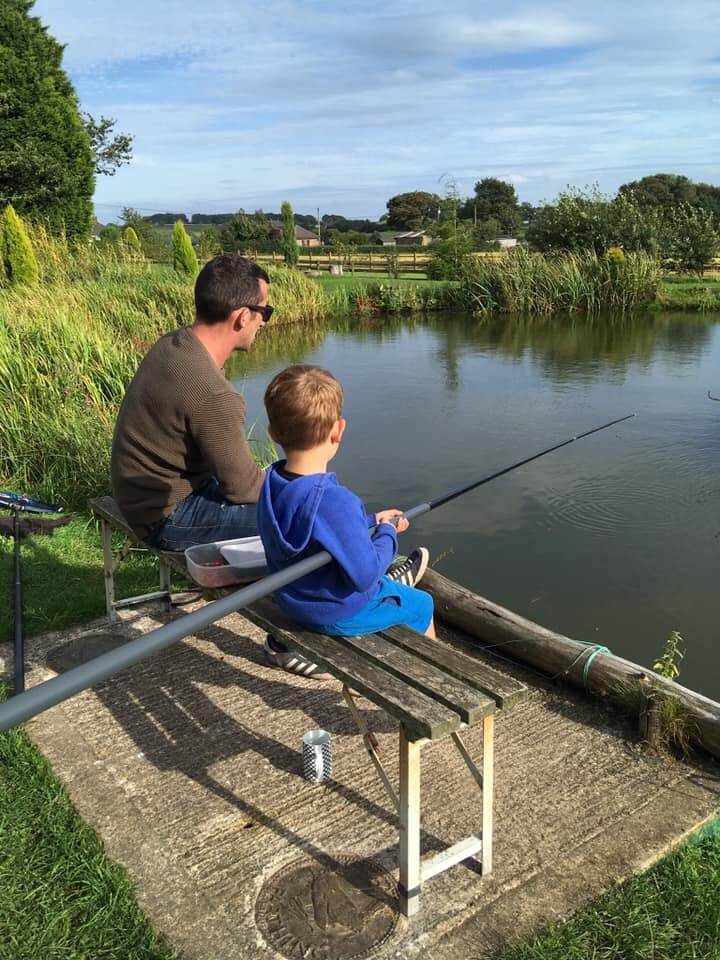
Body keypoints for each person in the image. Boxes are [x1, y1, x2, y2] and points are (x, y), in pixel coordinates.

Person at [257, 364, 433, 676]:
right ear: (339, 429)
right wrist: (388, 534)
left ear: (272, 432)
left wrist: (369, 521)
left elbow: (312, 525)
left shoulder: (271, 483)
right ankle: (432, 679)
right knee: (422, 605)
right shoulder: (337, 500)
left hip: (292, 599)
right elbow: (363, 575)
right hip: (335, 611)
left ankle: (391, 589)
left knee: (385, 584)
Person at [111, 254, 270, 551]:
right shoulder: (215, 394)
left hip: (141, 496)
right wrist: (299, 498)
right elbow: (244, 489)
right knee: (303, 521)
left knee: (290, 496)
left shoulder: (175, 343)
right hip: (164, 517)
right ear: (243, 316)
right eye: (265, 311)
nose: (263, 322)